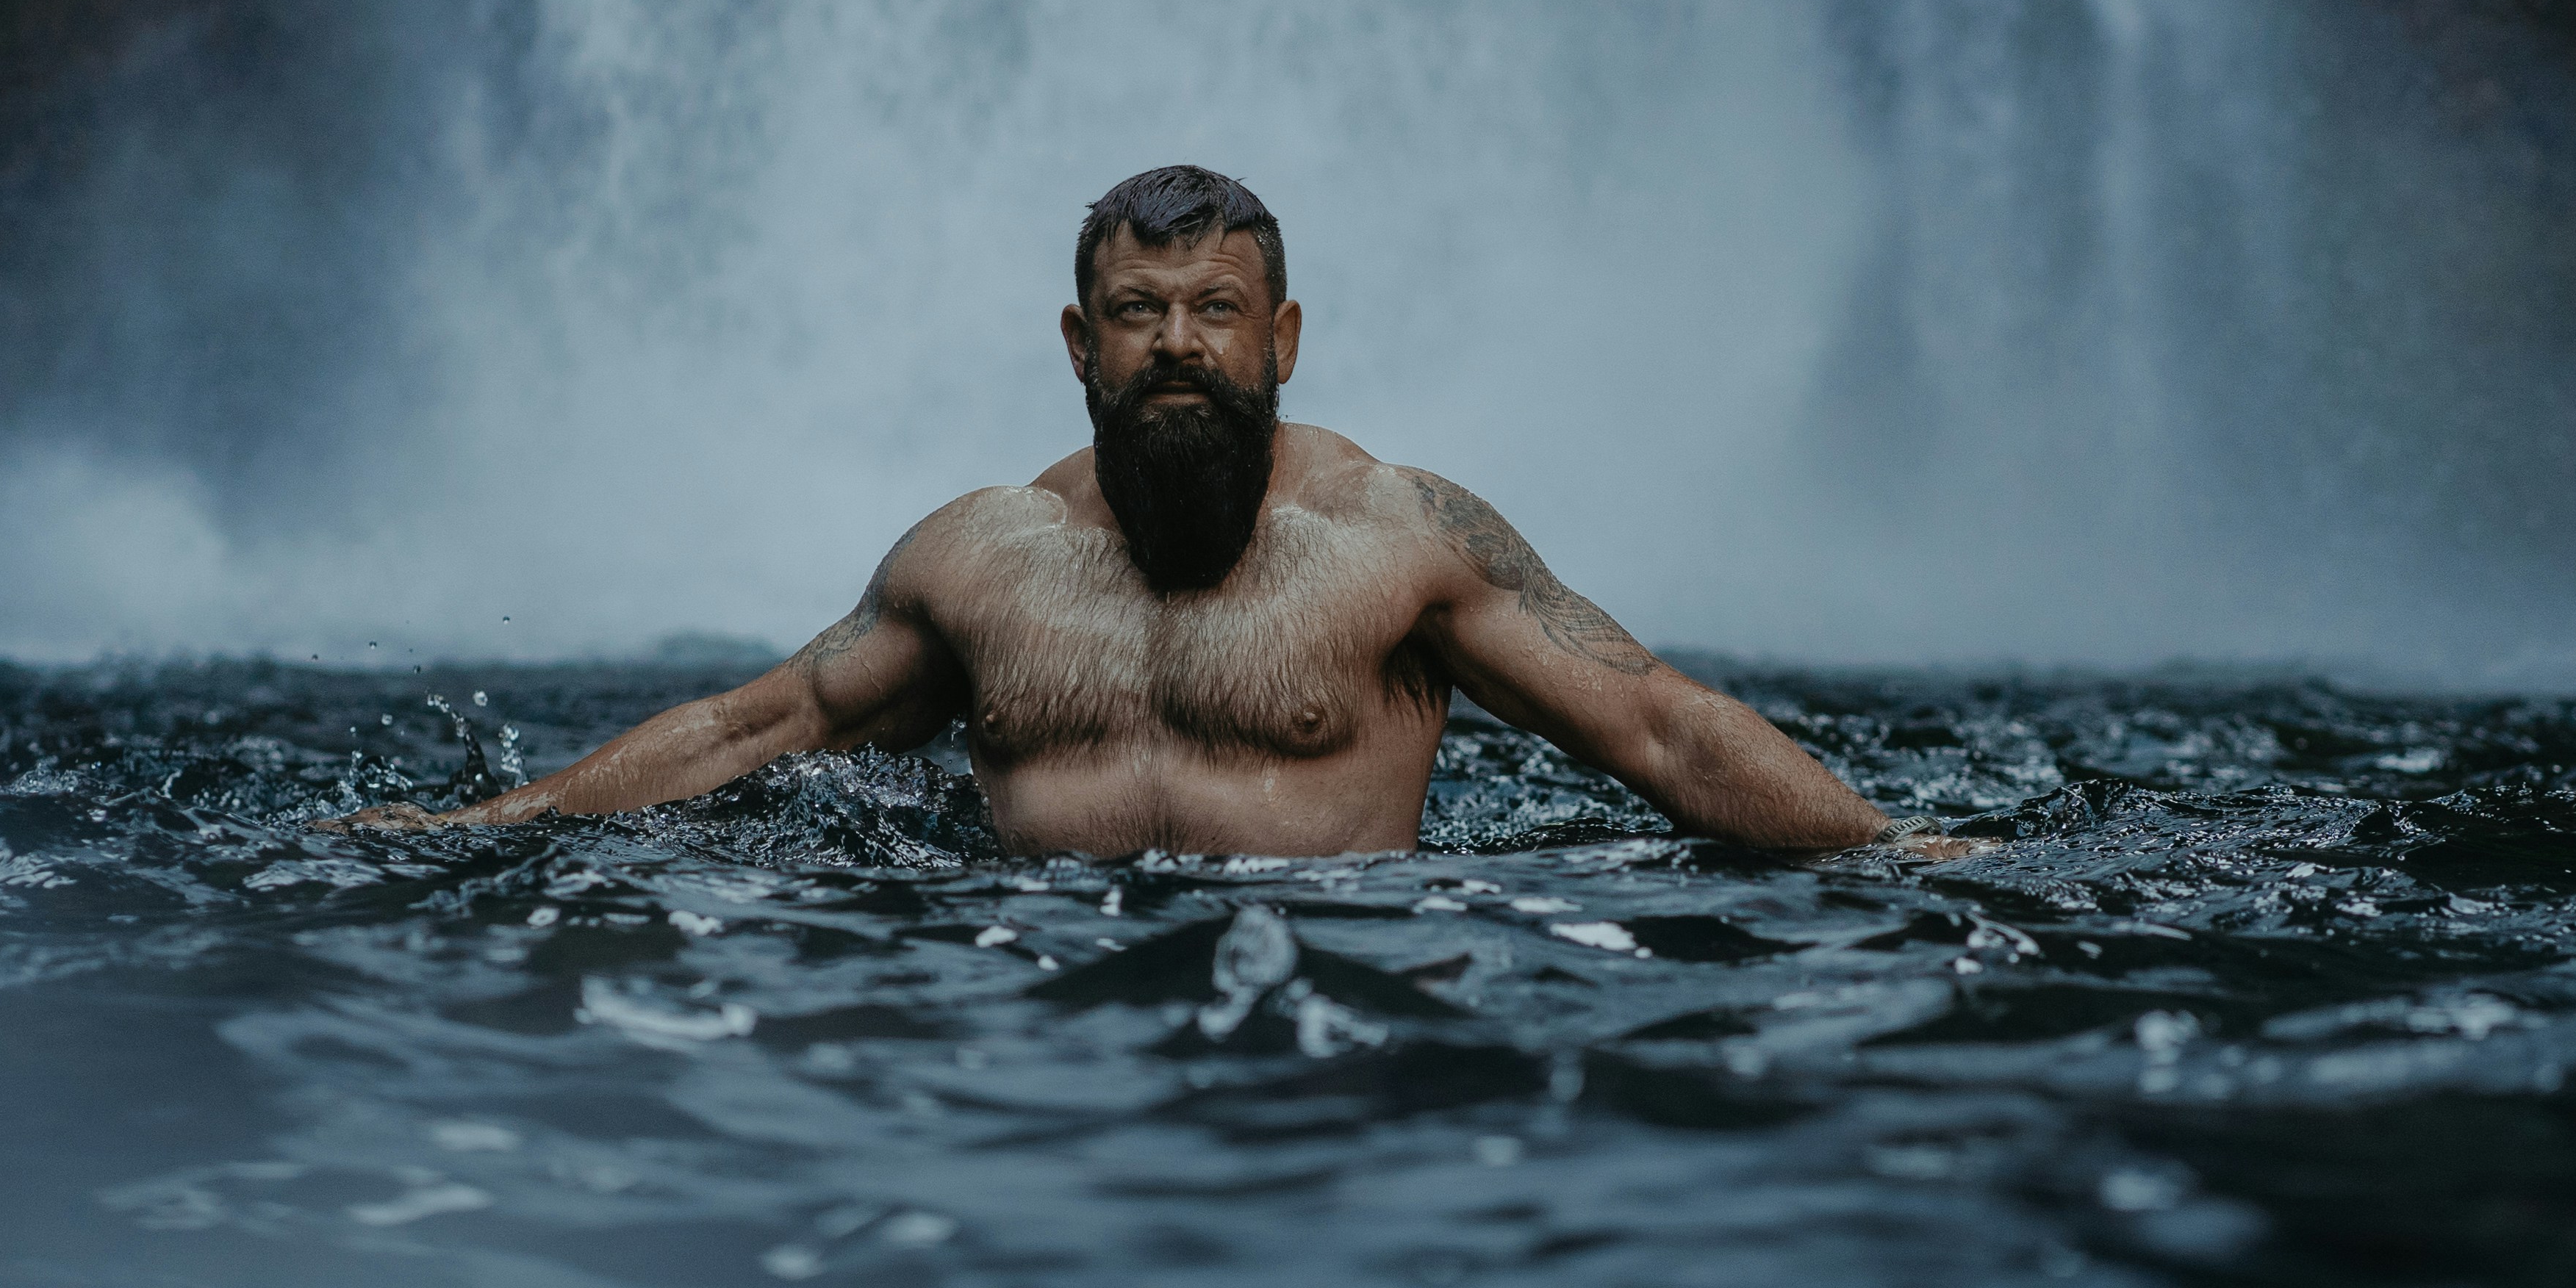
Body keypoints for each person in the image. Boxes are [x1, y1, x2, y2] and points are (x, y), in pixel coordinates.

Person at [331, 165, 1934, 859]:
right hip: (1042, 1063)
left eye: (1216, 308)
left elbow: (1654, 727)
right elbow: (759, 724)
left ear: (1281, 339)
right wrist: (497, 827)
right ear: (1077, 341)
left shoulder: (1402, 540)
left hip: (1334, 1034)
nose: (1178, 341)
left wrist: (1898, 851)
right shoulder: (976, 558)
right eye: (1139, 309)